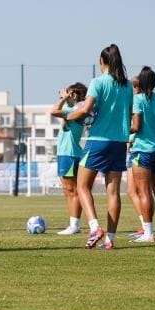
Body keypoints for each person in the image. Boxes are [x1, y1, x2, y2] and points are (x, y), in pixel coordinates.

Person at [66, 44, 134, 250]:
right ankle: (110, 239)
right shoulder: (128, 86)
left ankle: (95, 227)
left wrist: (70, 116)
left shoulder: (97, 82)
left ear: (101, 61)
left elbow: (86, 109)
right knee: (113, 193)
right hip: (119, 143)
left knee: (82, 186)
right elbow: (128, 113)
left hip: (98, 141)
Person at [129, 67, 155, 243]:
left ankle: (148, 234)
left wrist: (123, 129)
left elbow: (136, 127)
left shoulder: (137, 100)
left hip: (142, 150)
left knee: (144, 192)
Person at [49, 83, 87, 235]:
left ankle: (74, 225)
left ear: (75, 96)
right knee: (70, 190)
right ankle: (74, 224)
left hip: (69, 154)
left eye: (69, 93)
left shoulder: (74, 110)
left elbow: (53, 111)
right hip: (70, 153)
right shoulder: (74, 110)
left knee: (72, 191)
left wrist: (62, 98)